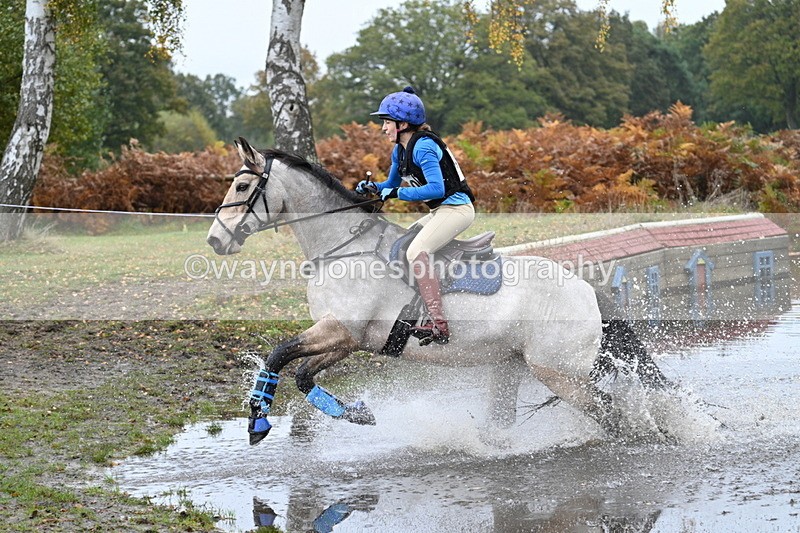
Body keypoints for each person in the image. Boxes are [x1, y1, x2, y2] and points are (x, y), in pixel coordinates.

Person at [356, 86, 476, 344]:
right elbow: (390, 184)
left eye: (387, 122)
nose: (383, 128)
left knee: (415, 252)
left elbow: (436, 188)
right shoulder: (400, 150)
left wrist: (396, 192)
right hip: (440, 211)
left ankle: (439, 323)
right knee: (402, 242)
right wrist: (372, 188)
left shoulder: (423, 147)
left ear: (402, 123)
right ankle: (417, 305)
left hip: (457, 209)